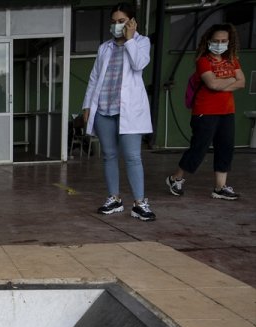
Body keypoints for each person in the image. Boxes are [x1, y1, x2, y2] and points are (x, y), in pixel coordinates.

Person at [81, 3, 155, 221]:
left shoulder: (141, 42)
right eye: (113, 22)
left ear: (132, 22)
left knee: (132, 156)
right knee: (109, 155)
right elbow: (94, 77)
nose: (116, 25)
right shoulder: (105, 48)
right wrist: (87, 105)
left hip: (128, 110)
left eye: (121, 21)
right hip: (104, 108)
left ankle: (140, 203)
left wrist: (130, 39)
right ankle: (114, 198)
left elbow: (139, 64)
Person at [166, 23, 245, 200]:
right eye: (216, 40)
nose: (220, 44)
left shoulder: (232, 59)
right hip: (205, 111)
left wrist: (222, 82)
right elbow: (212, 84)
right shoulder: (203, 61)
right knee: (199, 148)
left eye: (224, 40)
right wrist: (230, 79)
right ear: (209, 41)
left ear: (229, 42)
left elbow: (242, 82)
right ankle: (175, 178)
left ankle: (220, 187)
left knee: (225, 147)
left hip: (227, 111)